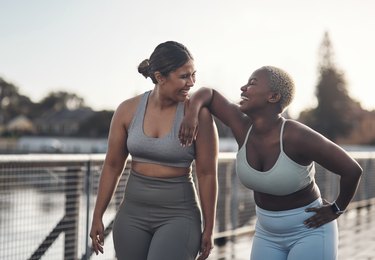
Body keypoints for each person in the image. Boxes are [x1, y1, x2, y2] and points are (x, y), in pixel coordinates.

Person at [178, 65, 363, 260]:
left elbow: (351, 170)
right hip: (267, 234)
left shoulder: (297, 135)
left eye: (252, 83)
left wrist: (336, 208)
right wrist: (191, 115)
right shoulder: (241, 125)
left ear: (273, 97)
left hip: (310, 231)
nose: (243, 88)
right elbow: (209, 94)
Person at [90, 41, 219, 260]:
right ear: (160, 77)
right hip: (132, 214)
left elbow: (207, 174)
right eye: (184, 76)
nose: (192, 82)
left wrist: (209, 227)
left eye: (193, 74)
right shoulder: (127, 110)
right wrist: (97, 215)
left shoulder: (199, 116)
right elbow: (112, 166)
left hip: (179, 216)